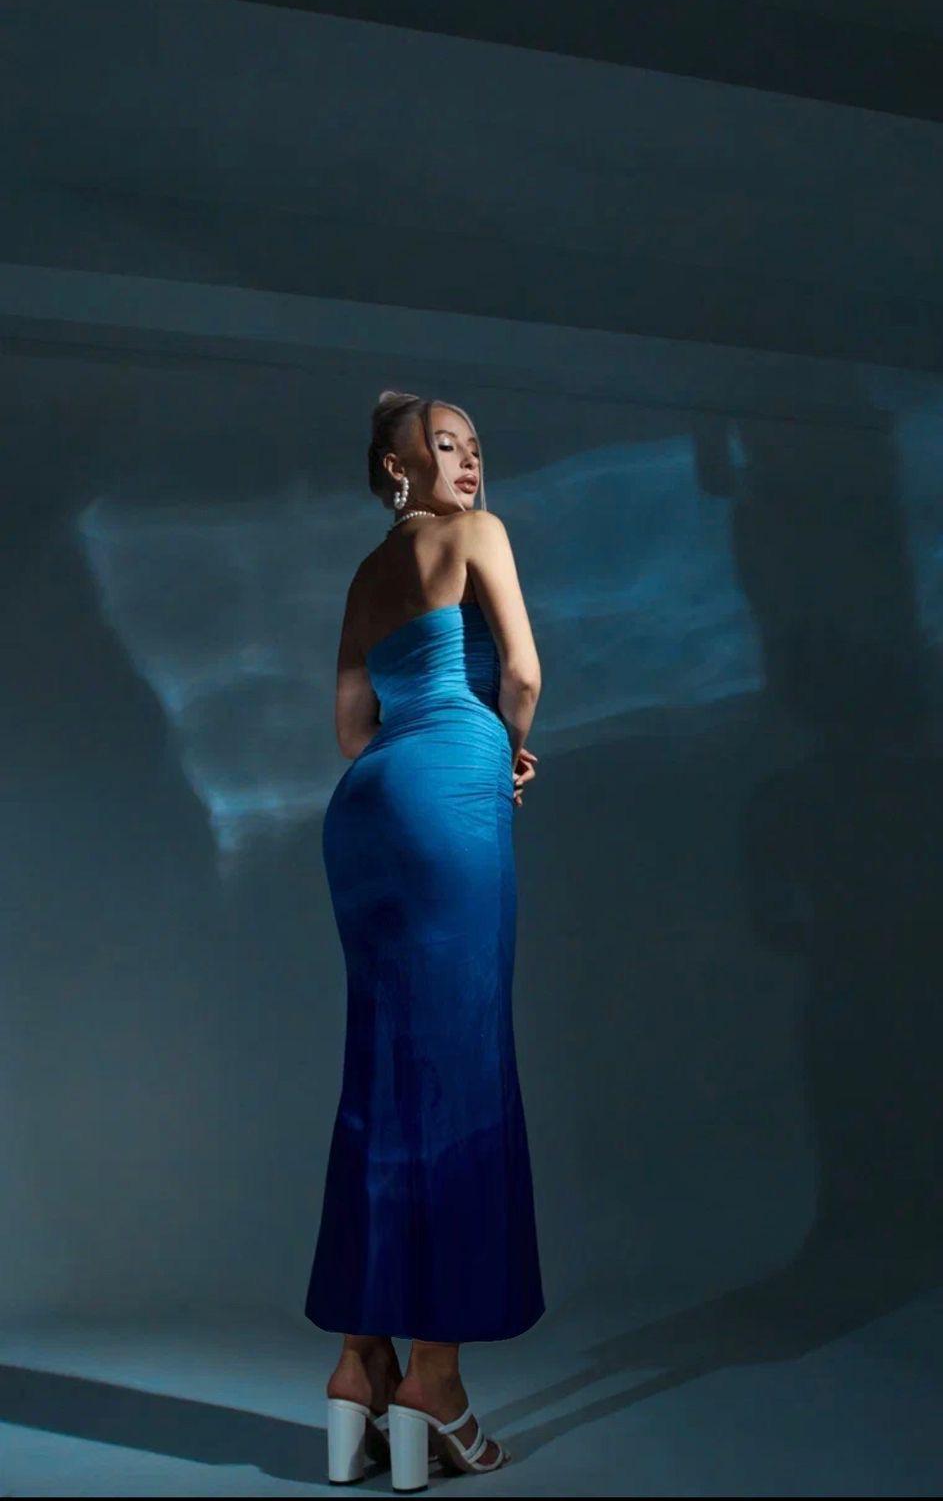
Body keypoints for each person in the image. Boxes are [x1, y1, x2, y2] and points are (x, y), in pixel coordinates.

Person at [305, 391, 545, 1489]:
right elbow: (523, 674)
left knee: (382, 1074)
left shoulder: (365, 577)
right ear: (395, 467)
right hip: (451, 785)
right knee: (457, 1071)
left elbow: (352, 728)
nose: (469, 464)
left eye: (476, 448)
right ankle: (433, 1383)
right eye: (445, 447)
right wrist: (508, 746)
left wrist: (428, 744)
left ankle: (359, 1363)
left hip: (367, 808)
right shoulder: (478, 535)